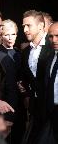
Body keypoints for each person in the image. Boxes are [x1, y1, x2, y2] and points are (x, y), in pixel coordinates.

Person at [21, 10, 53, 144]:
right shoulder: (26, 51)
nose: (25, 29)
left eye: (29, 25)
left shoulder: (53, 46)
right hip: (35, 110)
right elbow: (28, 78)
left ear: (41, 26)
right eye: (23, 26)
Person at [0, 19, 26, 143]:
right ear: (1, 36)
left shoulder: (20, 54)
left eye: (13, 34)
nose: (10, 38)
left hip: (20, 105)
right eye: (7, 34)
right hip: (4, 104)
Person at [41, 22, 58, 143]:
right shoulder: (51, 57)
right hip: (51, 113)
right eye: (51, 36)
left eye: (57, 35)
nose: (54, 40)